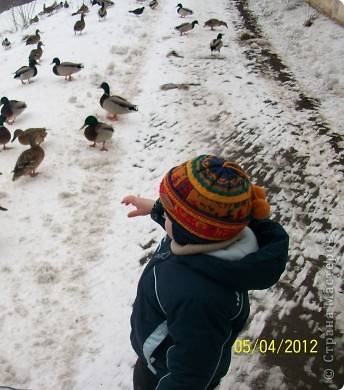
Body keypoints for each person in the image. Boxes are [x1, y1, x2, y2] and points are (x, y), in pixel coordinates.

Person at [121, 154, 289, 389]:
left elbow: (191, 373)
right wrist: (155, 209)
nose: (164, 215)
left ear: (190, 230)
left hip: (164, 371)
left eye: (168, 213)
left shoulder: (199, 298)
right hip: (158, 349)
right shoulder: (213, 237)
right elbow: (187, 224)